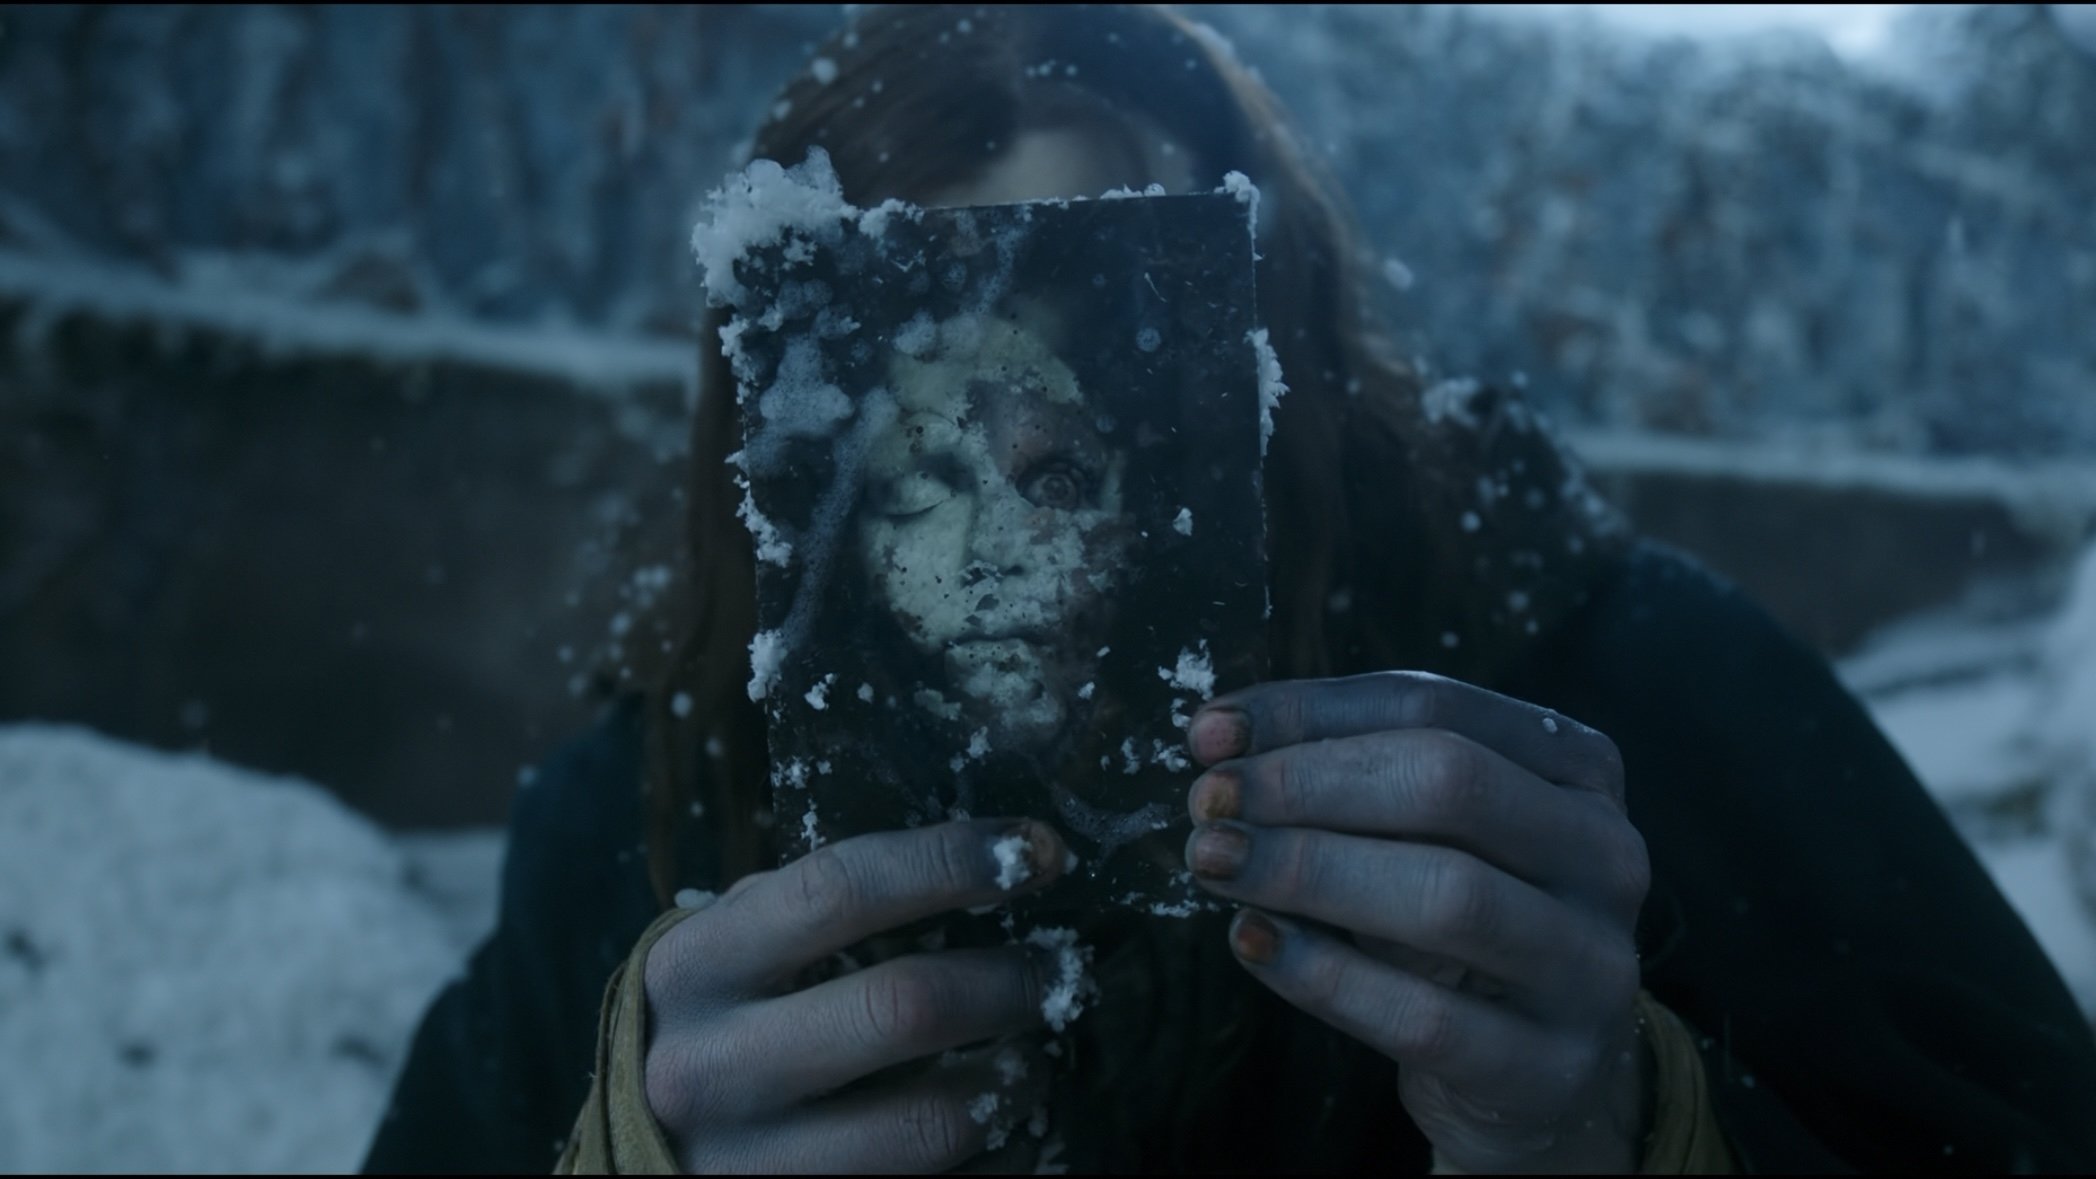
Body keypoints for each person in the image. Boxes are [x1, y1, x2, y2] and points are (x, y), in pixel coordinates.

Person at [362, 6, 2096, 1174]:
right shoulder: (646, 816)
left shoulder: (1624, 687)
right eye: (913, 483)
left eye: (1078, 459)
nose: (994, 560)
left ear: (1279, 389)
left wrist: (1641, 1129)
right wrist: (626, 1148)